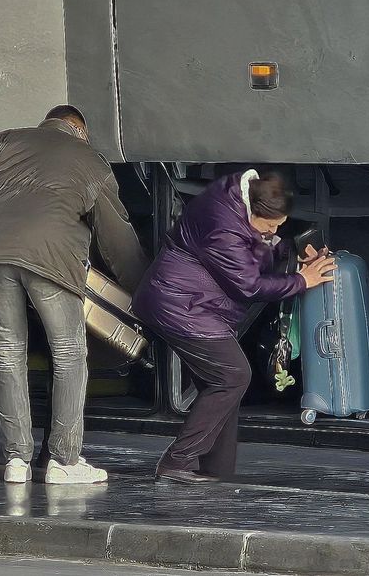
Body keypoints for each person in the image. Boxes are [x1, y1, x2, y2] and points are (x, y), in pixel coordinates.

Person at [0, 105, 148, 485]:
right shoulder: (89, 159)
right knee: (69, 355)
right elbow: (116, 236)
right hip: (53, 261)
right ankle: (64, 460)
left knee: (8, 355)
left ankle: (16, 461)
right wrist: (143, 290)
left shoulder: (1, 140)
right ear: (79, 130)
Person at [133, 170, 336, 483]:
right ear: (253, 211)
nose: (276, 229)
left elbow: (257, 248)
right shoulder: (223, 225)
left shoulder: (241, 201)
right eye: (271, 225)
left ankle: (216, 470)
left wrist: (294, 258)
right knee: (233, 375)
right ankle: (178, 462)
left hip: (191, 302)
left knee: (220, 384)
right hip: (179, 303)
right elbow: (248, 285)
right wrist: (301, 280)